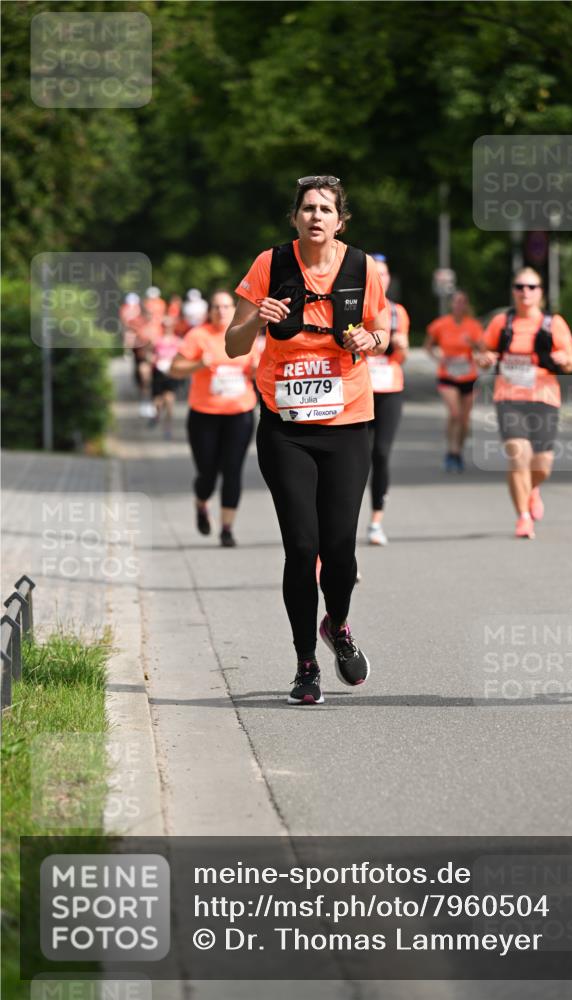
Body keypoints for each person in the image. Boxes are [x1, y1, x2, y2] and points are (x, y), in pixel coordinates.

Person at [226, 175, 389, 705]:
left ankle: (336, 624)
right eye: (307, 208)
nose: (316, 216)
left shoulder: (364, 268)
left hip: (347, 423)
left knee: (339, 549)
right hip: (285, 426)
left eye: (325, 209)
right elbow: (233, 345)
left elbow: (380, 332)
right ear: (294, 217)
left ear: (340, 220)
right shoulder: (269, 265)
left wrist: (369, 338)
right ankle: (305, 664)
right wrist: (257, 318)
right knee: (301, 547)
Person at [476, 267, 572, 539]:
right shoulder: (502, 322)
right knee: (517, 455)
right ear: (513, 290)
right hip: (509, 398)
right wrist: (484, 358)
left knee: (542, 465)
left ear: (541, 292)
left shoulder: (553, 323)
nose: (525, 292)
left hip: (544, 398)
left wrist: (563, 361)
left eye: (531, 287)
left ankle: (533, 489)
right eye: (520, 286)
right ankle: (523, 516)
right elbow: (484, 351)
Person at [170, 290, 260, 547]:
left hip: (239, 414)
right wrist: (199, 363)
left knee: (232, 471)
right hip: (204, 415)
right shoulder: (198, 336)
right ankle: (201, 503)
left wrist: (255, 371)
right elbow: (175, 369)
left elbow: (259, 370)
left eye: (226, 306)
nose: (221, 311)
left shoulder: (246, 335)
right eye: (217, 307)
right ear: (209, 311)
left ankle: (227, 529)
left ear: (234, 309)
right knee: (207, 473)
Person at [365, 254, 410, 545]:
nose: (380, 279)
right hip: (359, 391)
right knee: (355, 459)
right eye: (375, 274)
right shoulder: (355, 308)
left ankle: (376, 522)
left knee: (381, 453)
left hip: (389, 389)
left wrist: (402, 347)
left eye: (384, 274)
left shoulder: (398, 313)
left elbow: (400, 358)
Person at [425, 291, 484, 471]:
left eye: (462, 302)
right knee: (455, 413)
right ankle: (451, 451)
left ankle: (458, 451)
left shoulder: (473, 326)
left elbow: (483, 348)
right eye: (456, 302)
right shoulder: (441, 324)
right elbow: (428, 346)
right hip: (447, 375)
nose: (459, 306)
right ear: (452, 305)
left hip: (469, 376)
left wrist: (473, 344)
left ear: (466, 305)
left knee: (465, 420)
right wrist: (439, 359)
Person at [150, 317, 181, 439]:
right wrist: (153, 359)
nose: (167, 328)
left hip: (171, 373)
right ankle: (157, 415)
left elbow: (183, 356)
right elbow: (148, 354)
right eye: (165, 326)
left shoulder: (178, 341)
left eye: (169, 326)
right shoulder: (156, 341)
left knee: (169, 400)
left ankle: (168, 427)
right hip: (158, 372)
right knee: (158, 401)